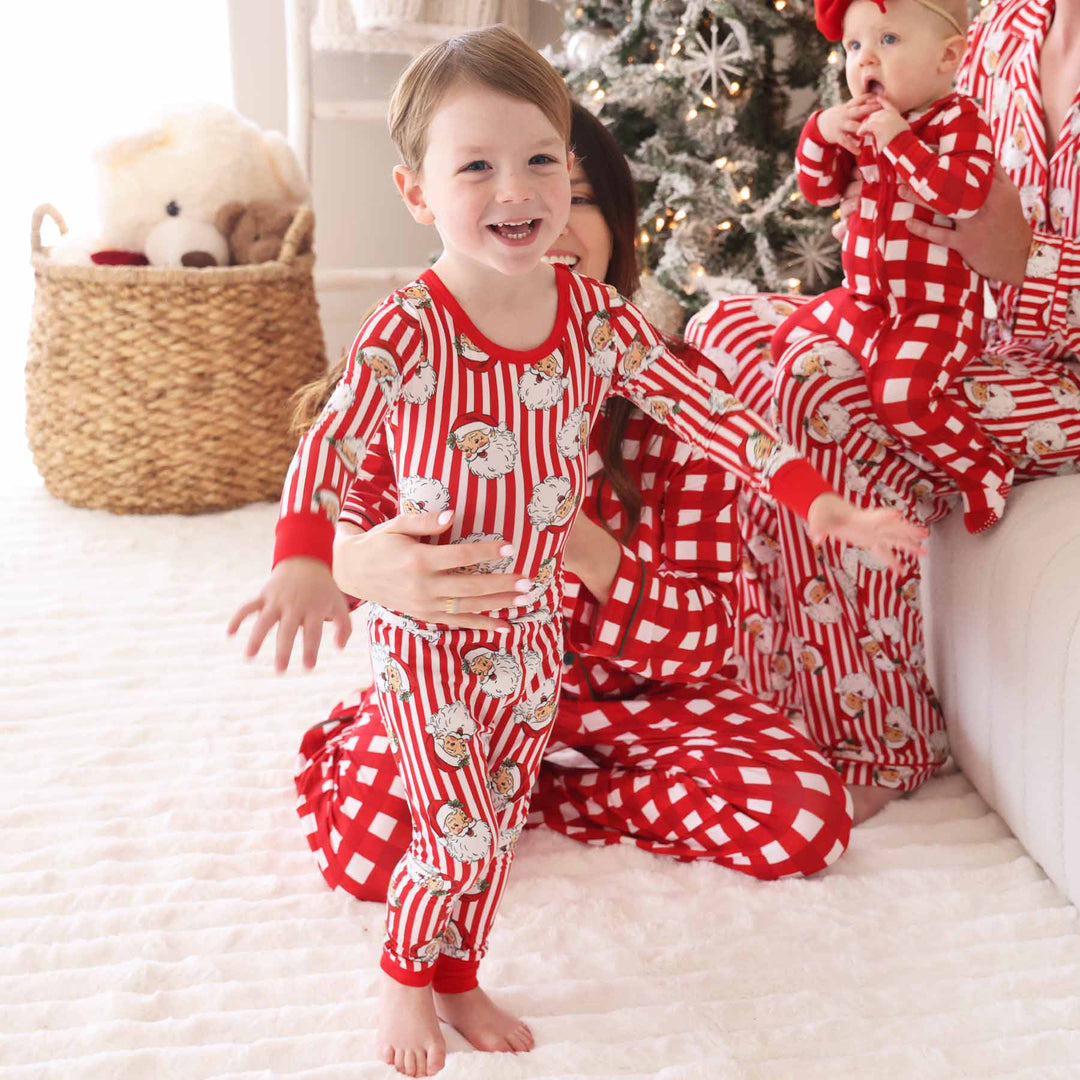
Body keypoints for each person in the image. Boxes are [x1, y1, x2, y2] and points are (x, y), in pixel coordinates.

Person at [229, 26, 925, 1076]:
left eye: (549, 164)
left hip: (560, 657)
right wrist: (316, 559)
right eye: (478, 167)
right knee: (455, 832)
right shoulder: (412, 327)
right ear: (417, 195)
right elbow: (333, 451)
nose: (522, 192)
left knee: (494, 814)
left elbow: (705, 414)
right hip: (438, 643)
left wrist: (811, 499)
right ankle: (403, 979)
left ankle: (461, 973)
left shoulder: (597, 324)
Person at [686, 0, 1080, 823]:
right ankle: (764, 691)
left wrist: (1020, 258)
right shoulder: (1008, 18)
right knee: (725, 333)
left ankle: (882, 740)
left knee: (824, 388)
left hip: (1052, 366)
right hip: (940, 323)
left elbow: (982, 216)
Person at [777, 0, 1011, 534]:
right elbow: (817, 190)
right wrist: (821, 130)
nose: (865, 62)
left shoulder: (959, 120)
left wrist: (899, 142)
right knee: (785, 339)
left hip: (938, 311)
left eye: (887, 41)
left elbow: (962, 195)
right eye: (854, 47)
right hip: (868, 301)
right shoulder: (865, 124)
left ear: (948, 58)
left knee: (901, 398)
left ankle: (984, 469)